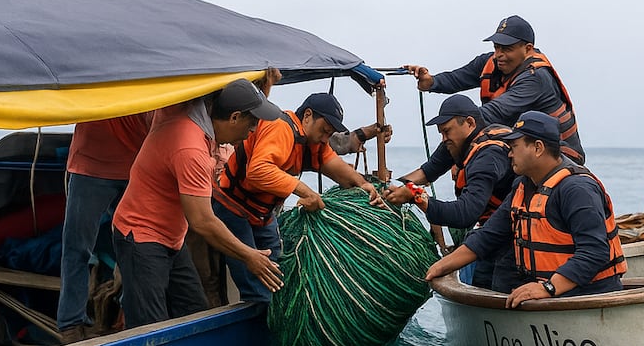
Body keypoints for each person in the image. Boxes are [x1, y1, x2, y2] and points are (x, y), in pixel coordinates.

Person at [111, 79, 285, 328]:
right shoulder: (191, 149)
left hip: (172, 237)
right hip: (140, 237)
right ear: (234, 117)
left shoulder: (189, 111)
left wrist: (261, 90)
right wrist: (250, 256)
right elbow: (202, 221)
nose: (254, 130)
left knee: (193, 313)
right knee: (148, 328)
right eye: (252, 122)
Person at [424, 111, 625, 307]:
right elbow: (488, 236)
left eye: (514, 146)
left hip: (588, 295)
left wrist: (549, 288)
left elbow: (595, 251)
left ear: (538, 148)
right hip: (554, 294)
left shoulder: (577, 190)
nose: (509, 153)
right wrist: (441, 266)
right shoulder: (523, 185)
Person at [211, 92, 383, 302]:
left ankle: (270, 311)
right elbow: (257, 171)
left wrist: (363, 184)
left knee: (276, 272)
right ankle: (257, 320)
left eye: (330, 134)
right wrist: (305, 191)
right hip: (232, 207)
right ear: (307, 115)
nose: (325, 138)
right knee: (255, 279)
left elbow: (338, 170)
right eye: (324, 130)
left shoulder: (313, 143)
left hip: (262, 214)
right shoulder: (281, 127)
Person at [403, 15, 585, 164]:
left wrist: (436, 164)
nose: (499, 55)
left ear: (528, 49)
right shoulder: (492, 62)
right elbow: (458, 77)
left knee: (481, 157)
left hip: (559, 157)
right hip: (524, 151)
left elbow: (489, 114)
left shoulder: (535, 78)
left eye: (507, 49)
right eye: (496, 47)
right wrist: (431, 82)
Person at [382, 94, 516, 290]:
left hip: (513, 235)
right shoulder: (462, 139)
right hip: (495, 230)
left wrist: (416, 197)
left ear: (469, 123)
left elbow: (465, 214)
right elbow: (428, 171)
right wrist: (391, 189)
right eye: (440, 133)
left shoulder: (488, 156)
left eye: (446, 131)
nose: (444, 139)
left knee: (492, 283)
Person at [57, 111, 154, 343]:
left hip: (139, 165)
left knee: (142, 248)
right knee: (77, 248)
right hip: (90, 166)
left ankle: (132, 318)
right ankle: (71, 325)